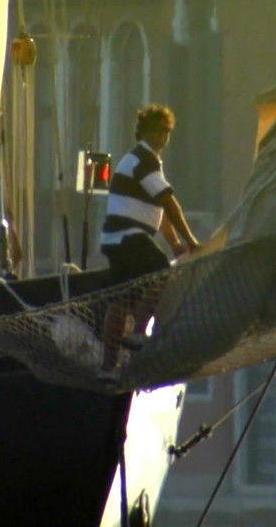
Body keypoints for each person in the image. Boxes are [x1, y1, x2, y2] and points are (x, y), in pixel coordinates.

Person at [98, 104, 199, 370]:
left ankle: (108, 368)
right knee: (162, 273)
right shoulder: (145, 160)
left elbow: (157, 210)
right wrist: (190, 240)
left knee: (121, 300)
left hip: (114, 239)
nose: (163, 136)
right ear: (144, 131)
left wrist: (174, 243)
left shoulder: (137, 160)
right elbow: (168, 202)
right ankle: (139, 333)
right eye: (158, 131)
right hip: (129, 236)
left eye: (167, 131)